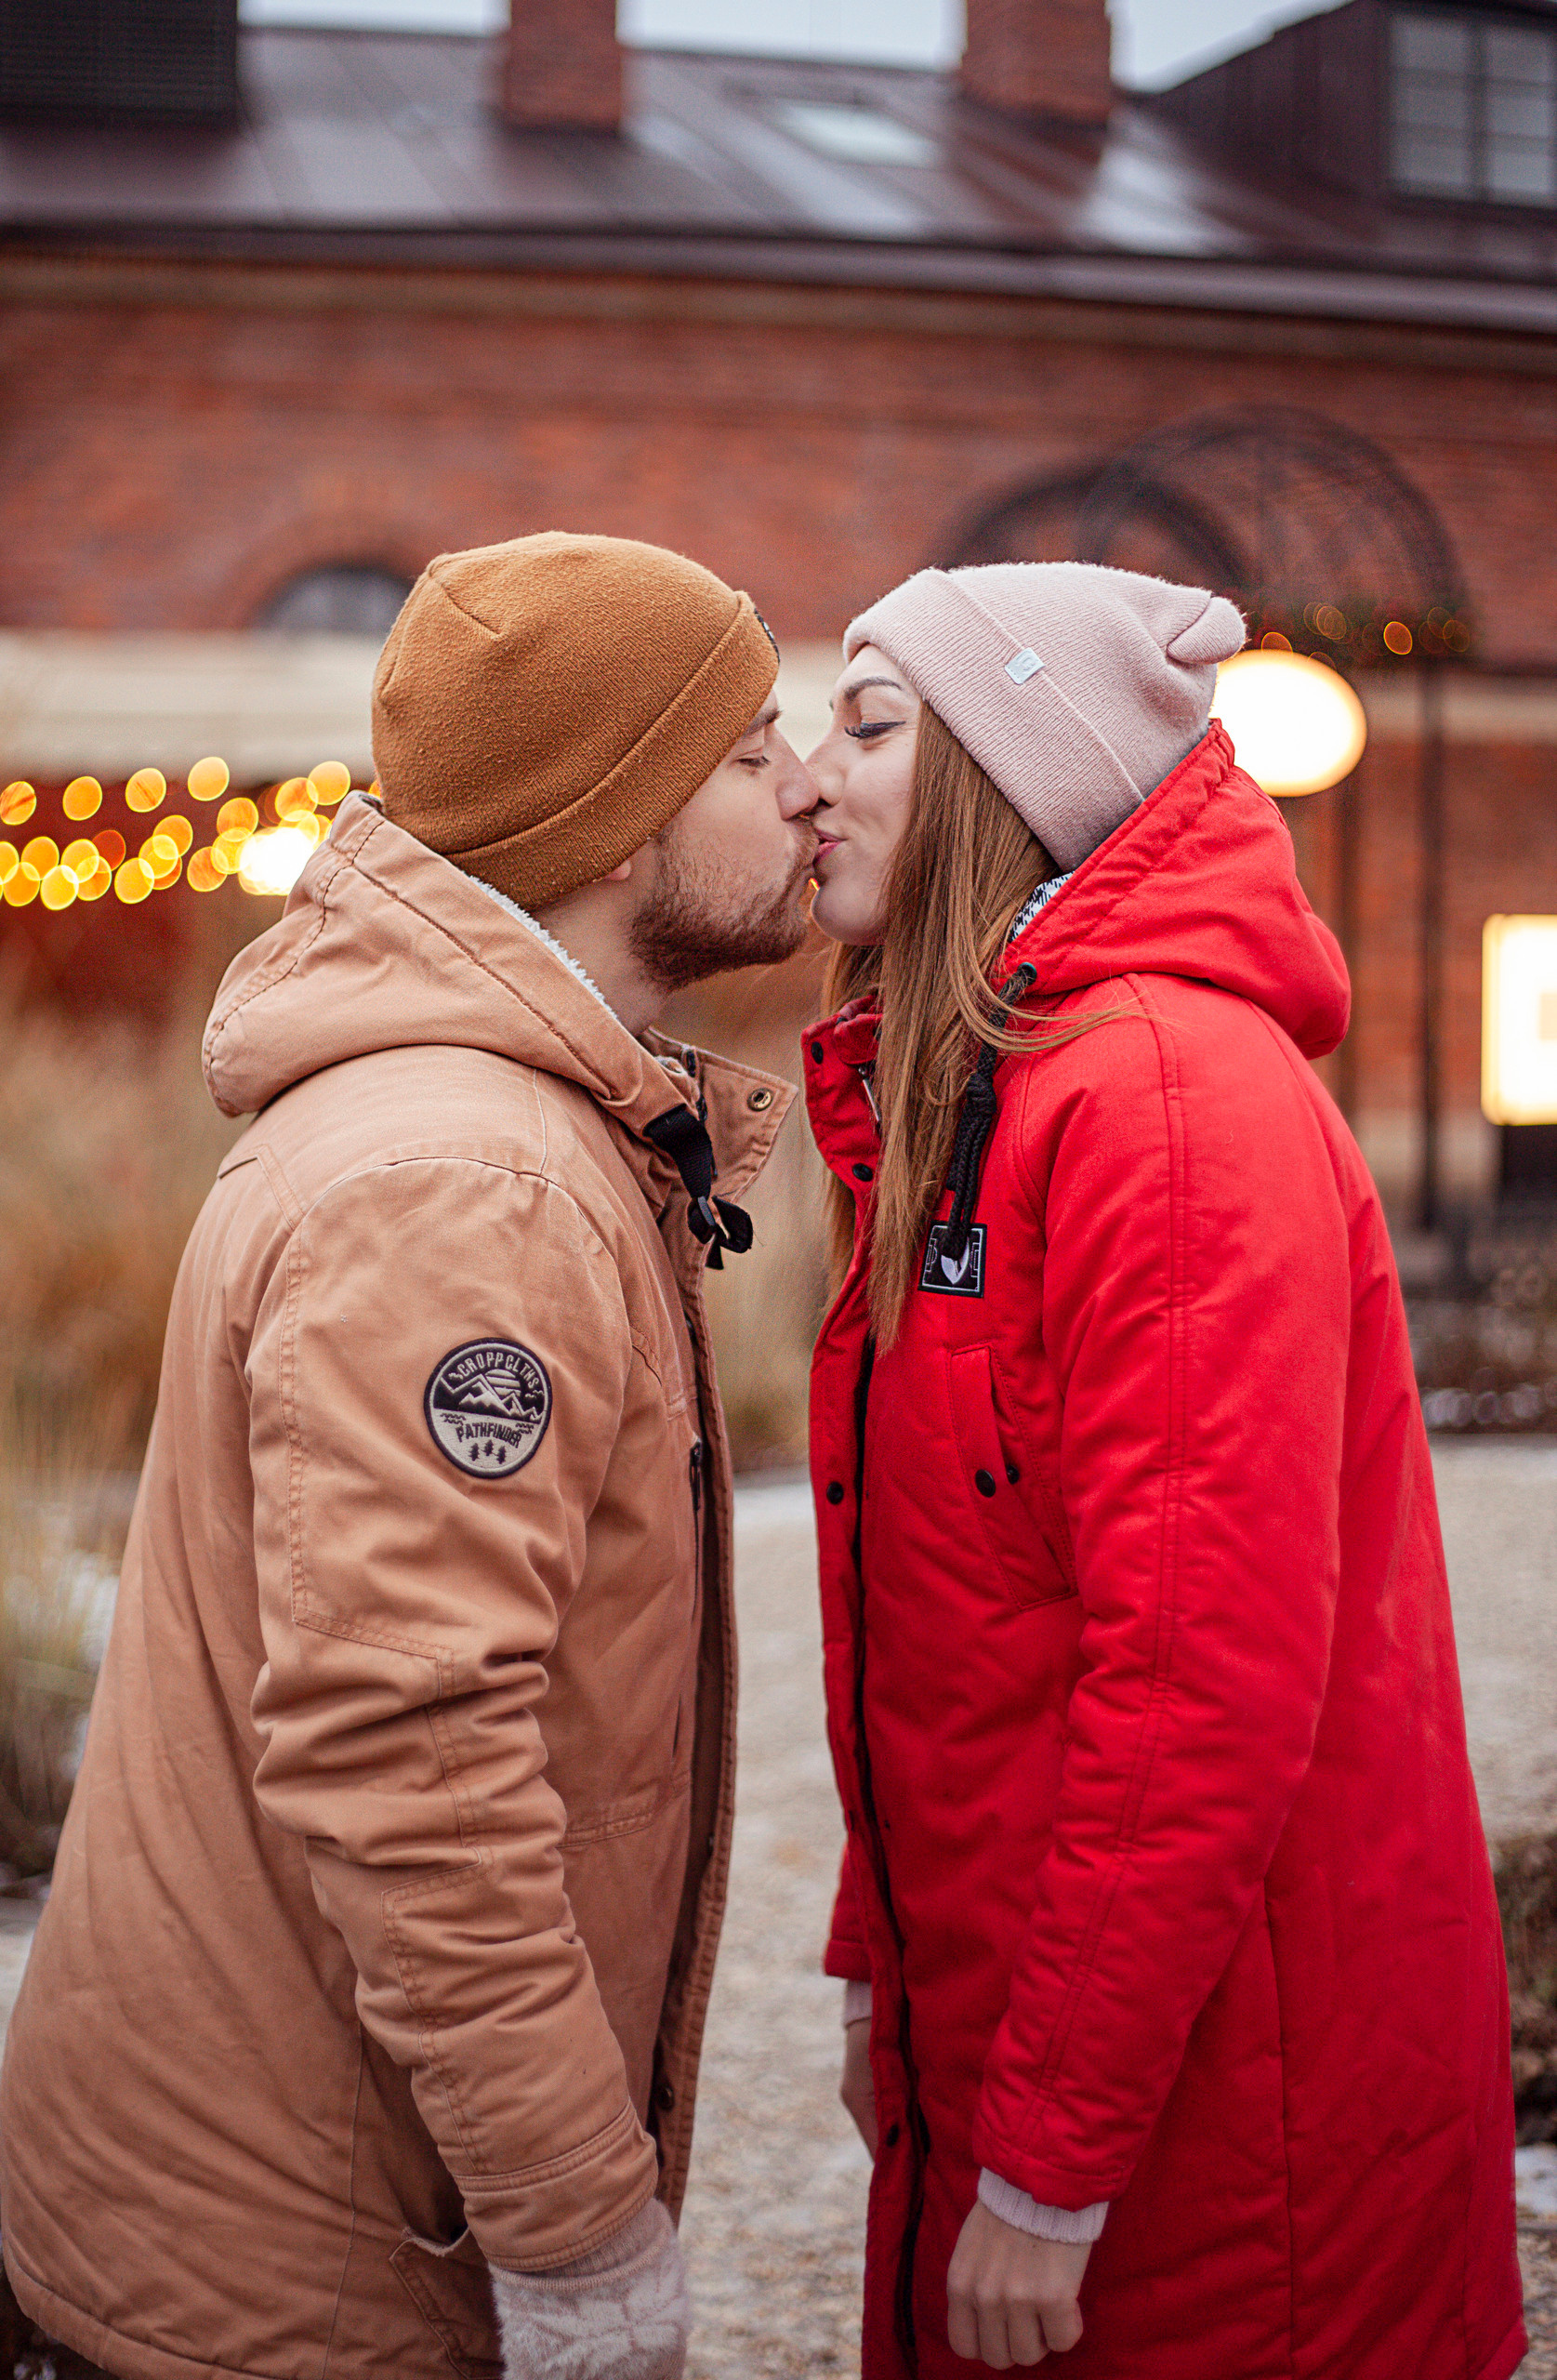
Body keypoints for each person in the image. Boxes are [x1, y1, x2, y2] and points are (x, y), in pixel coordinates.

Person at [0, 532, 819, 2380]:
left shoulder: (502, 1119)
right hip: (301, 2253)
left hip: (297, 2182)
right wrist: (574, 2227)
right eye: (751, 747)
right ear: (619, 821)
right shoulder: (467, 1181)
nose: (803, 786)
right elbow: (411, 1747)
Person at [801, 561, 1524, 2379]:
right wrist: (873, 1960)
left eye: (868, 722)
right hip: (1036, 2023)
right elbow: (951, 1600)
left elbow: (1193, 1679)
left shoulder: (1158, 1110)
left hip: (1215, 2139)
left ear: (1003, 776)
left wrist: (1046, 2166)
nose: (806, 775)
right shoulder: (992, 1089)